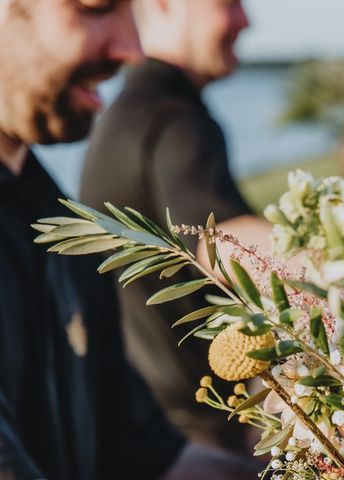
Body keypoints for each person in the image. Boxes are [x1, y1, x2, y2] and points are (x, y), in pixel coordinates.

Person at [0, 0, 261, 478]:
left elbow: (147, 458)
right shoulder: (170, 117)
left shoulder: (62, 231)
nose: (134, 50)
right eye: (95, 8)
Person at [80, 0, 273, 448]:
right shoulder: (173, 117)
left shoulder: (130, 112)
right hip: (202, 435)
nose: (246, 21)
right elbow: (224, 244)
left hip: (152, 429)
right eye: (229, 5)